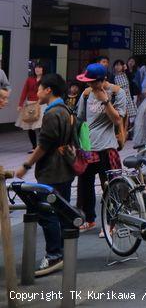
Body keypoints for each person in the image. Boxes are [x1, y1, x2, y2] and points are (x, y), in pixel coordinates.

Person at [15, 74, 75, 276]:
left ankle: (53, 255)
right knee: (63, 211)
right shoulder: (67, 110)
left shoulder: (52, 113)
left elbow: (44, 145)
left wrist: (26, 165)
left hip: (52, 171)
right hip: (66, 168)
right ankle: (66, 253)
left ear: (48, 90)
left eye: (40, 88)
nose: (37, 92)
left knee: (47, 212)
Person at [75, 63, 128, 232]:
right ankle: (89, 219)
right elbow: (80, 118)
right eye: (88, 81)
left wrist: (105, 100)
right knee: (85, 185)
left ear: (103, 80)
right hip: (88, 147)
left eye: (93, 82)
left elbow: (117, 120)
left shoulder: (117, 93)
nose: (90, 85)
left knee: (110, 185)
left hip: (107, 147)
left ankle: (112, 222)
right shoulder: (85, 94)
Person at [16, 61, 44, 149]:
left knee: (41, 126)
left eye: (39, 67)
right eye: (36, 67)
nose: (37, 69)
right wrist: (20, 104)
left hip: (42, 104)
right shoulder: (29, 79)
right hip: (30, 104)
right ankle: (34, 147)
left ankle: (41, 146)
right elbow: (24, 92)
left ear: (43, 69)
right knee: (30, 127)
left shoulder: (46, 79)